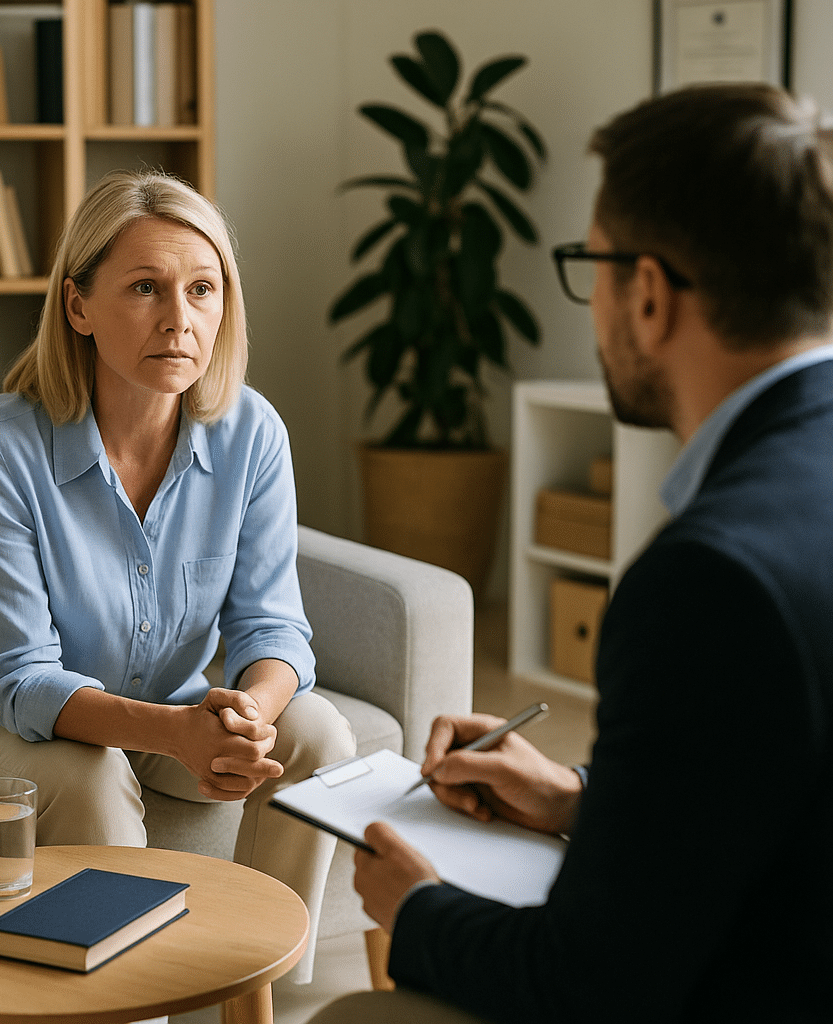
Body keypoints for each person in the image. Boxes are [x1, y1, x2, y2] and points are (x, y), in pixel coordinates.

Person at [309, 83, 833, 1023]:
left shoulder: (710, 579)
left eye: (590, 265)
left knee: (355, 1014)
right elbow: (777, 791)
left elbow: (587, 986)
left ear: (646, 294)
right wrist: (577, 798)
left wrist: (418, 909)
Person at [0, 168, 355, 981]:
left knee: (320, 733)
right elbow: (14, 675)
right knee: (91, 771)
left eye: (202, 290)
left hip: (163, 710)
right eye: (145, 288)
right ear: (78, 305)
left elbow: (273, 626)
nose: (180, 322)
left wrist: (247, 718)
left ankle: (252, 988)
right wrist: (175, 735)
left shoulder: (253, 433)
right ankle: (121, 1003)